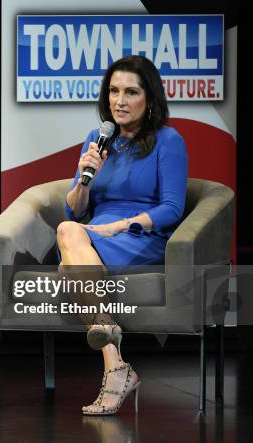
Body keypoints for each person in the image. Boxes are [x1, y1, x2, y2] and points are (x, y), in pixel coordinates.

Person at [56, 55, 188, 415]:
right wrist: (86, 176)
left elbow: (173, 208)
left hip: (140, 236)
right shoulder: (97, 139)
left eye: (131, 91)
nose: (119, 100)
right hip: (94, 234)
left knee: (70, 264)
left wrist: (119, 225)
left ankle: (112, 358)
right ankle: (115, 364)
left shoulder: (168, 140)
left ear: (150, 98)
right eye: (114, 91)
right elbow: (75, 209)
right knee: (69, 228)